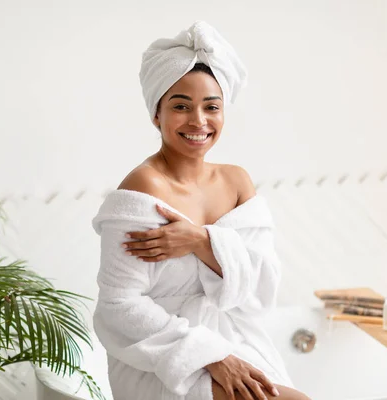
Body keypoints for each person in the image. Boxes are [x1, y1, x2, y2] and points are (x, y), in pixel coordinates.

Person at [92, 21, 312, 400]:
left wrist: (200, 240)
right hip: (162, 357)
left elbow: (262, 290)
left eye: (212, 107)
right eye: (181, 106)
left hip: (234, 338)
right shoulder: (143, 189)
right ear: (156, 113)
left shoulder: (237, 182)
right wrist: (210, 356)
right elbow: (117, 307)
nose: (198, 121)